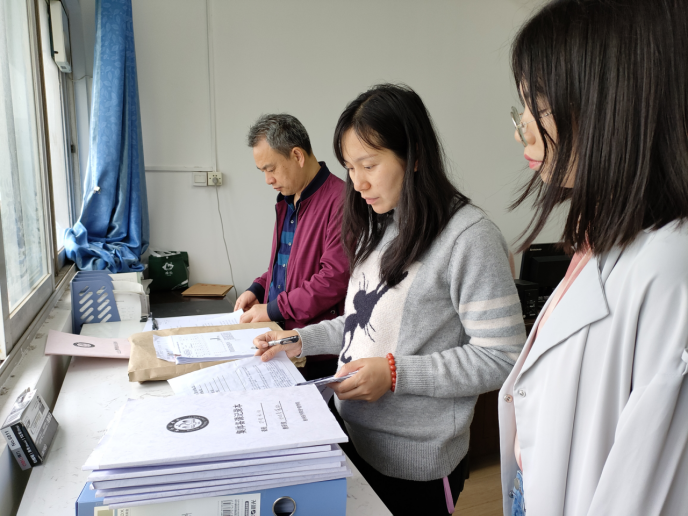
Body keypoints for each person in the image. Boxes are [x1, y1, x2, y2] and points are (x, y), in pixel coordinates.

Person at [254, 85, 526, 515]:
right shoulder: (377, 225)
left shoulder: (469, 238)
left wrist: (396, 374)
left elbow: (503, 357)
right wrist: (300, 340)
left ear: (414, 156)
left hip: (415, 464)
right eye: (350, 168)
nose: (357, 183)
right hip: (352, 435)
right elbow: (359, 322)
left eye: (369, 165)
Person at [501, 1, 688, 515]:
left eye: (540, 105)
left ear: (619, 104)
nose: (522, 129)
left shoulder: (668, 269)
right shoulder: (598, 233)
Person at [236, 114, 349, 379]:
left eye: (271, 169)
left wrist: (272, 308)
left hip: (316, 350)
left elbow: (332, 281)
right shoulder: (287, 200)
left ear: (297, 155)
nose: (267, 179)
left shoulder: (341, 201)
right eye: (262, 171)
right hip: (282, 339)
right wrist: (259, 288)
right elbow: (287, 265)